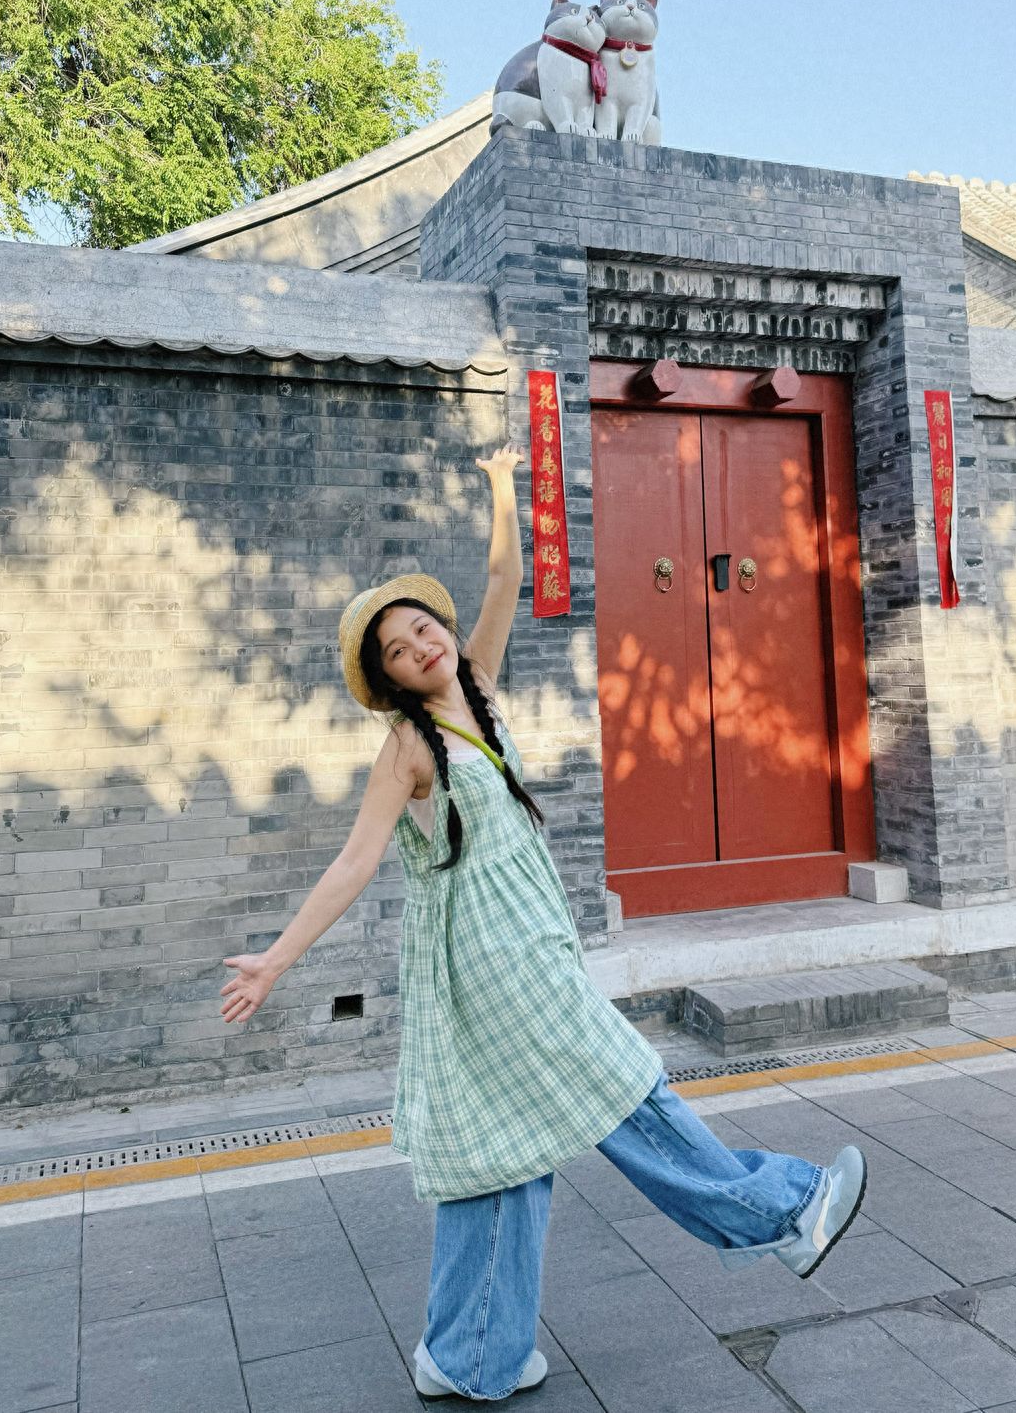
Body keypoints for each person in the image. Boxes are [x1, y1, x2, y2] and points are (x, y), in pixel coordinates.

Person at [220, 442, 867, 1402]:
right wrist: (276, 960)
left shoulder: (474, 682)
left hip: (522, 947)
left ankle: (469, 1350)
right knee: (627, 1087)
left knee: (503, 1149)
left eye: (420, 629)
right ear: (390, 679)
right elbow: (356, 859)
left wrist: (496, 484)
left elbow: (505, 576)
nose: (420, 647)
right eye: (397, 650)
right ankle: (779, 1211)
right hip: (495, 959)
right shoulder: (409, 743)